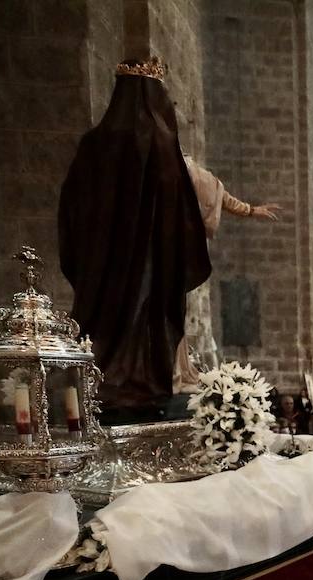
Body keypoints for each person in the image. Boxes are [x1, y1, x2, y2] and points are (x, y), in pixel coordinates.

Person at [59, 58, 212, 411]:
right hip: (151, 263)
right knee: (145, 322)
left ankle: (102, 381)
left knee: (104, 323)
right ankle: (141, 383)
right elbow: (181, 211)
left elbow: (72, 207)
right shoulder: (162, 143)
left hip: (102, 265)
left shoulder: (94, 143)